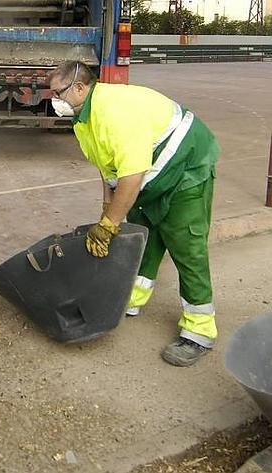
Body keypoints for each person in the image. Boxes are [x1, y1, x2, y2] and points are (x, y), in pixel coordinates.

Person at [48, 61, 220, 367]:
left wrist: (109, 223)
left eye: (57, 93)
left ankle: (199, 330)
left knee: (186, 245)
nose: (54, 100)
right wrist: (106, 208)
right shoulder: (83, 119)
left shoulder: (114, 112)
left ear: (79, 88)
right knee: (143, 237)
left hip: (186, 168)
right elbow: (108, 167)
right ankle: (133, 297)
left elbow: (131, 176)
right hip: (151, 175)